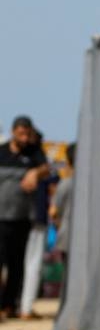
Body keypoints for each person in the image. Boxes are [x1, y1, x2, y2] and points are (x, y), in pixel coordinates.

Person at [0, 116, 49, 319]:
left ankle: (9, 305)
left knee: (16, 264)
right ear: (13, 132)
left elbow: (47, 168)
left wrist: (35, 173)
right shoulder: (2, 152)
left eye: (27, 134)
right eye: (21, 133)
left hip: (22, 219)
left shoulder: (33, 153)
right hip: (1, 218)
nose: (25, 137)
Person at [19, 128, 55, 319]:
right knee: (32, 265)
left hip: (22, 220)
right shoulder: (39, 168)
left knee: (22, 265)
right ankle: (24, 307)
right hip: (32, 220)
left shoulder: (29, 166)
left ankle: (21, 306)